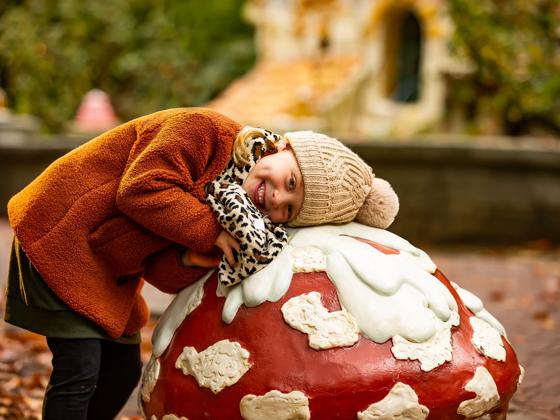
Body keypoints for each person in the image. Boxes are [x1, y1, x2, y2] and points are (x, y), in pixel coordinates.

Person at [4, 108, 398, 420]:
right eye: (290, 181)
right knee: (80, 368)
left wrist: (192, 258)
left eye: (289, 209)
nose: (277, 198)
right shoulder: (203, 132)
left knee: (122, 369)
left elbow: (160, 272)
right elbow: (140, 189)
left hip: (109, 263)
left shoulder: (237, 214)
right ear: (282, 147)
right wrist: (208, 231)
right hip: (61, 232)